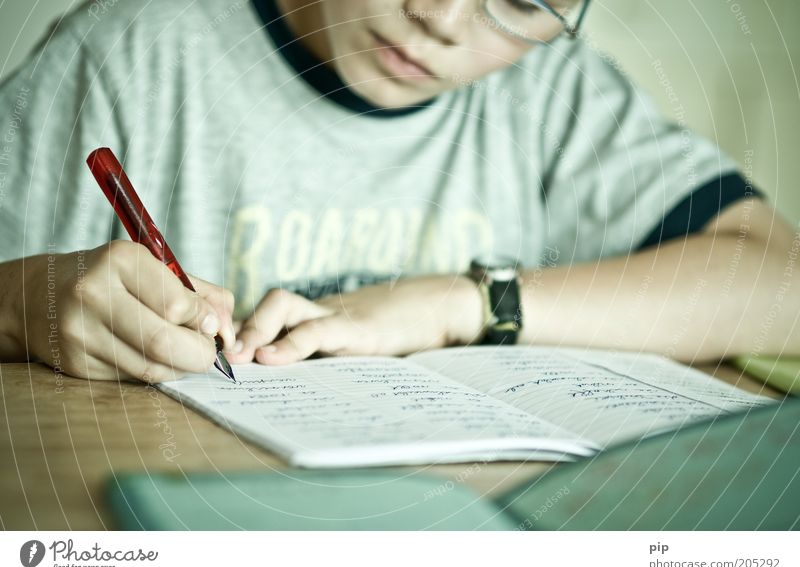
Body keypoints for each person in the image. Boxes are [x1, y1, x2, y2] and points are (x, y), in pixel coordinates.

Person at [0, 0, 796, 383]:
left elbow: (782, 283)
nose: (441, 17)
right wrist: (22, 303)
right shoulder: (132, 54)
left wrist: (457, 305)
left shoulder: (551, 94)